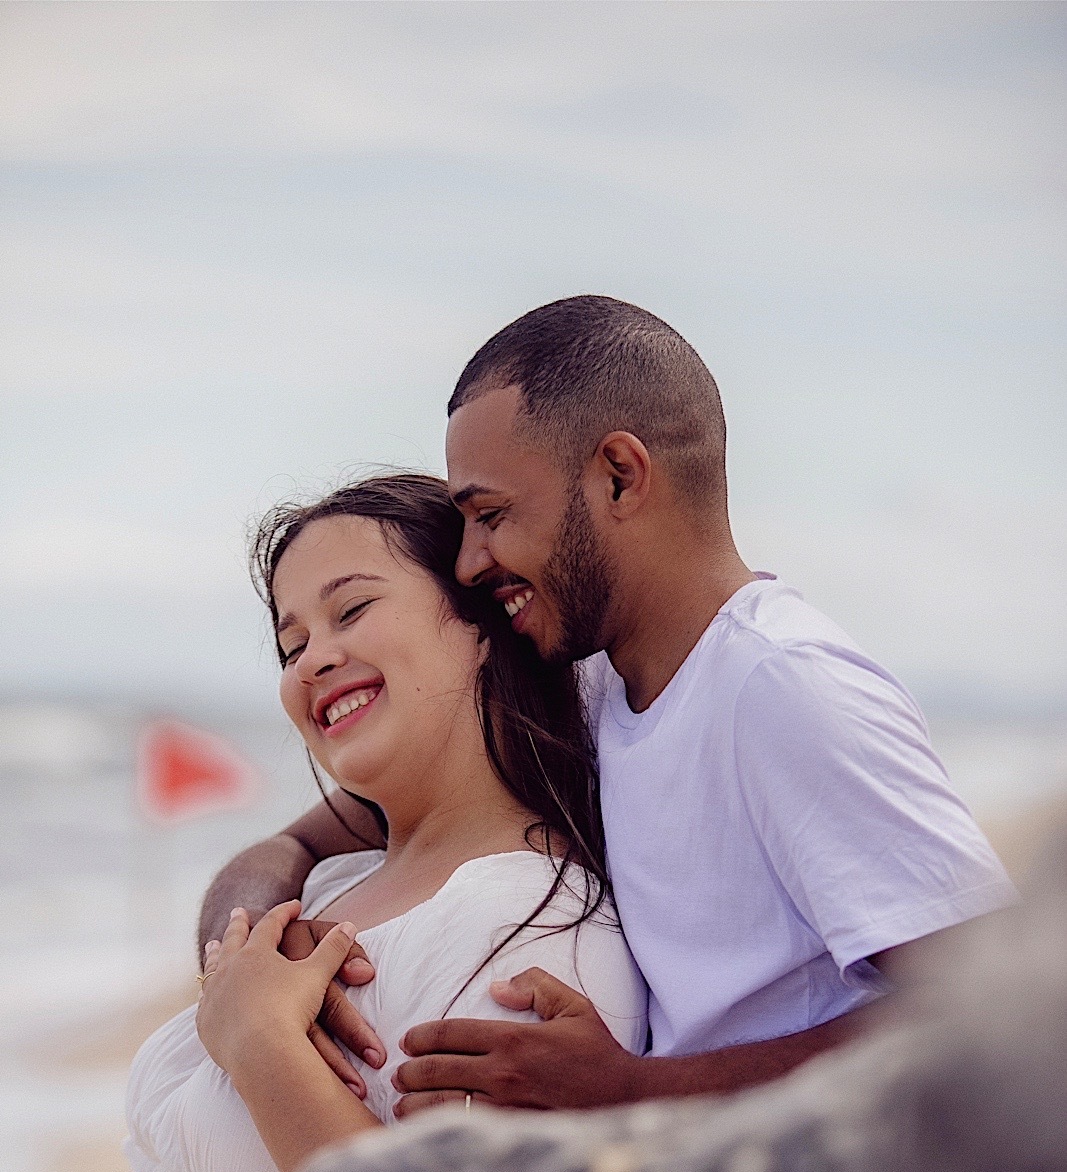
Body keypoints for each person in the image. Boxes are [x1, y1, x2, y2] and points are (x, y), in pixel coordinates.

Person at [0, 473, 647, 1172]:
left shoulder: (539, 931)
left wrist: (262, 1045)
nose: (313, 658)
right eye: (290, 641)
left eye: (350, 610)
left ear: (481, 625)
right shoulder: (331, 892)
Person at [201, 297, 1017, 1120]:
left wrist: (633, 1090)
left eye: (490, 516)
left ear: (619, 476)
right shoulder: (591, 691)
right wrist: (255, 947)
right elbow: (296, 842)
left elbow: (995, 1015)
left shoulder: (780, 687)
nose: (471, 561)